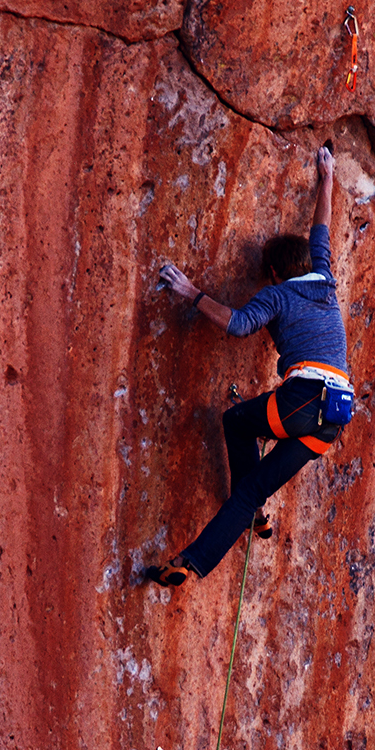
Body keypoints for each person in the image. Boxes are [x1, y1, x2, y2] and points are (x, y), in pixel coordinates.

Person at [143, 145, 352, 589]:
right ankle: (194, 558)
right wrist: (327, 177)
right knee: (251, 491)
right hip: (334, 416)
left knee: (237, 423)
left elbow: (238, 325)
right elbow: (322, 227)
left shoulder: (278, 295)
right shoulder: (326, 279)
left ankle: (236, 522)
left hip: (304, 398)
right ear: (307, 264)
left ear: (275, 272)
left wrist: (190, 291)